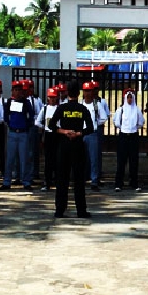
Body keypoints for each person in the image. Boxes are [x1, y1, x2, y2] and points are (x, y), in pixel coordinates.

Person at [48, 80, 94, 219]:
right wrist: (78, 133)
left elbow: (51, 125)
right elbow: (91, 128)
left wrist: (64, 131)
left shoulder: (62, 108)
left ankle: (59, 210)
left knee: (62, 179)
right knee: (79, 179)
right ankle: (81, 210)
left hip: (64, 146)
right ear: (79, 93)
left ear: (67, 92)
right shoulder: (82, 109)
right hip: (78, 145)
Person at [0, 80, 34, 190]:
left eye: (19, 90)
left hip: (23, 133)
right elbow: (6, 116)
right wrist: (10, 125)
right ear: (12, 91)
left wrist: (26, 126)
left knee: (24, 159)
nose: (17, 92)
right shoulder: (9, 102)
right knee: (10, 158)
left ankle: (26, 181)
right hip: (12, 133)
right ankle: (7, 181)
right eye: (15, 90)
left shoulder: (26, 102)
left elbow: (31, 116)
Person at [113, 88, 145, 192]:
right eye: (128, 97)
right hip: (123, 135)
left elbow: (141, 122)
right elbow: (116, 122)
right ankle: (118, 183)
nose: (130, 99)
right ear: (125, 98)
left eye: (131, 97)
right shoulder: (121, 109)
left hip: (133, 136)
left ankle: (134, 182)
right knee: (121, 161)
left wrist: (134, 128)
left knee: (134, 160)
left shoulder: (137, 109)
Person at [81, 81, 108, 191]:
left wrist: (96, 124)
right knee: (82, 158)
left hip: (92, 133)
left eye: (89, 91)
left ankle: (94, 180)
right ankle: (82, 178)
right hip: (81, 133)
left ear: (93, 92)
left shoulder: (97, 104)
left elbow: (104, 117)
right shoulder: (80, 104)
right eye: (86, 91)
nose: (87, 93)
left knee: (94, 158)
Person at [35, 87, 59, 191]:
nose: (52, 99)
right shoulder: (44, 108)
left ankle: (58, 181)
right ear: (48, 98)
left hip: (58, 135)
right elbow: (37, 121)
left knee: (58, 159)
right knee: (48, 160)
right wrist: (44, 127)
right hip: (48, 135)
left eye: (54, 97)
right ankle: (47, 182)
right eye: (51, 97)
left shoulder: (60, 108)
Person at [92, 80, 110, 185]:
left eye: (96, 89)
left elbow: (106, 115)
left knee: (98, 152)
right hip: (89, 128)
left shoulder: (101, 101)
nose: (94, 91)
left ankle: (97, 173)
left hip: (98, 128)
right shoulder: (86, 101)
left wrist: (98, 121)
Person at [26, 80, 43, 182]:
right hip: (26, 126)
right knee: (26, 152)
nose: (31, 89)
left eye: (32, 87)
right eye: (29, 87)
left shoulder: (37, 99)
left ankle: (34, 172)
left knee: (34, 151)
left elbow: (41, 112)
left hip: (34, 126)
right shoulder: (24, 100)